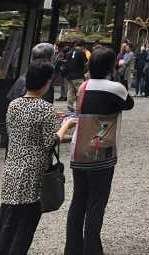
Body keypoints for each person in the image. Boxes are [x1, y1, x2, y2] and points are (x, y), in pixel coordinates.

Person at [0, 62, 76, 255]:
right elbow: (49, 142)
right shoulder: (45, 108)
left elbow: (22, 130)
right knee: (25, 226)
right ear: (46, 83)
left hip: (11, 169)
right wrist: (66, 125)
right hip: (32, 174)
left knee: (7, 222)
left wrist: (55, 120)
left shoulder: (14, 104)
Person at [64, 46, 134, 255]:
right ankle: (92, 249)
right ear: (111, 65)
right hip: (101, 150)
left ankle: (73, 248)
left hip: (79, 149)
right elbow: (128, 104)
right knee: (97, 201)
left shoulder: (83, 86)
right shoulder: (116, 88)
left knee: (79, 199)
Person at [66, 40, 88, 113]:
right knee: (80, 91)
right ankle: (79, 106)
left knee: (70, 90)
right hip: (78, 75)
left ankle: (70, 105)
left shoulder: (69, 52)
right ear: (82, 46)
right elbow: (85, 63)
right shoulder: (81, 53)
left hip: (69, 75)